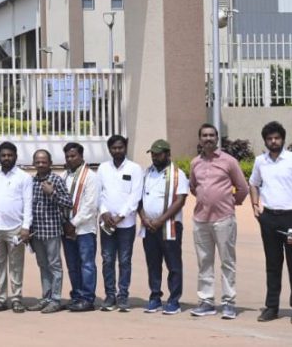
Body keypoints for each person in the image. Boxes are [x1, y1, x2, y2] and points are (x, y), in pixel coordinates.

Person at [249, 121, 292, 324]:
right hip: (269, 219)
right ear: (265, 141)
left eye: (276, 138)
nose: (273, 141)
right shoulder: (260, 161)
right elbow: (253, 183)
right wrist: (255, 205)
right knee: (273, 264)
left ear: (283, 139)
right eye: (269, 138)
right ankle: (272, 307)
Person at [189, 123, 249, 319]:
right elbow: (193, 187)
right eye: (204, 135)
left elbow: (243, 188)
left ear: (217, 138)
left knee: (227, 262)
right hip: (201, 220)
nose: (208, 138)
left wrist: (231, 202)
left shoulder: (229, 161)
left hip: (224, 219)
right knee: (204, 262)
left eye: (211, 135)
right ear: (200, 139)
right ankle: (206, 302)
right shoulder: (195, 163)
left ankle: (229, 303)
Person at [137, 139, 188, 316]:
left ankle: (174, 300)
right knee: (153, 264)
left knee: (173, 264)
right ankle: (155, 297)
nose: (154, 157)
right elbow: (139, 198)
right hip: (149, 227)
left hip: (169, 226)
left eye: (158, 154)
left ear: (167, 154)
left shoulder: (178, 174)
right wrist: (144, 218)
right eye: (152, 154)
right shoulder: (146, 173)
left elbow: (180, 200)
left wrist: (160, 220)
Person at [97, 135, 143, 312]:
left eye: (120, 147)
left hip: (126, 224)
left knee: (124, 260)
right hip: (107, 223)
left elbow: (135, 196)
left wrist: (121, 216)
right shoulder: (103, 168)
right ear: (109, 149)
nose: (117, 151)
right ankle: (110, 295)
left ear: (125, 147)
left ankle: (123, 295)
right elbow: (98, 193)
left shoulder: (135, 169)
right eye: (114, 148)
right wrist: (104, 212)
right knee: (107, 260)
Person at [0, 142, 33, 313]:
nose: (6, 158)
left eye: (9, 155)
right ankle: (1, 298)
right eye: (3, 155)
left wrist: (26, 227)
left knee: (16, 265)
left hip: (16, 228)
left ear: (16, 156)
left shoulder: (24, 177)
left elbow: (28, 203)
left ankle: (16, 298)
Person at [27, 149, 71, 314]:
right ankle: (46, 298)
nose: (40, 164)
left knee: (54, 266)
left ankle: (55, 299)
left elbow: (68, 203)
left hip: (52, 231)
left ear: (50, 163)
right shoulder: (31, 182)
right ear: (33, 163)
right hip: (37, 232)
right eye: (38, 162)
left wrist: (52, 193)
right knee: (43, 265)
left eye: (44, 162)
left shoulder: (56, 180)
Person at [61, 142, 100, 313]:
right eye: (67, 156)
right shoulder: (64, 175)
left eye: (73, 156)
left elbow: (90, 206)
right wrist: (65, 223)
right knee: (72, 265)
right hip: (66, 228)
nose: (70, 159)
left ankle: (87, 299)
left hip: (84, 229)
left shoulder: (90, 176)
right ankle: (76, 296)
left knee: (87, 264)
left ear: (81, 156)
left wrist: (73, 223)